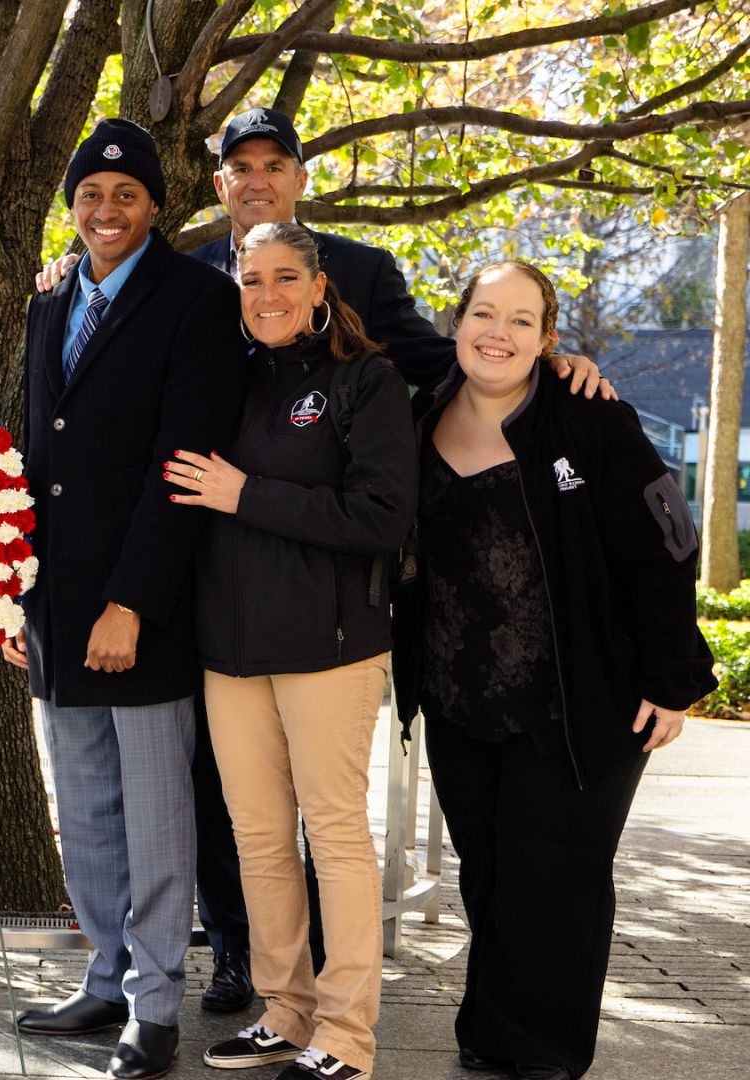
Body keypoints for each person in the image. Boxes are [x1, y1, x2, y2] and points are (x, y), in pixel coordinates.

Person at [34, 105, 608, 1008]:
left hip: (320, 611)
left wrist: (538, 362)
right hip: (213, 605)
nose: (257, 178)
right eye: (241, 167)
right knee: (232, 813)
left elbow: (449, 365)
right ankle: (250, 969)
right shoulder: (177, 279)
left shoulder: (359, 293)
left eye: (275, 164)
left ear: (300, 188)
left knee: (318, 823)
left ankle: (333, 1018)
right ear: (218, 184)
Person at [393, 261, 715, 1080]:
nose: (497, 333)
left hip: (582, 698)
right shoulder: (417, 411)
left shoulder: (589, 418)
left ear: (549, 341)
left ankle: (547, 1051)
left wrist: (672, 680)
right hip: (461, 697)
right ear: (454, 322)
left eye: (521, 321)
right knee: (490, 872)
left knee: (558, 878)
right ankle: (492, 1030)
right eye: (483, 314)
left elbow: (666, 549)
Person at [2, 119, 249, 1080]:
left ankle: (155, 1007)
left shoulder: (197, 300)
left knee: (155, 818)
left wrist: (132, 602)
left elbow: (181, 465)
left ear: (155, 206)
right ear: (74, 206)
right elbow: (37, 458)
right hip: (56, 609)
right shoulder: (51, 300)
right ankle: (104, 976)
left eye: (127, 196)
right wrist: (19, 598)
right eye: (91, 195)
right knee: (89, 809)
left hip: (140, 612)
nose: (107, 210)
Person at [165, 223, 413, 1080]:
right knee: (259, 839)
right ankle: (285, 1010)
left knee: (335, 836)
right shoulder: (226, 380)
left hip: (330, 648)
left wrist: (247, 494)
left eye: (283, 278)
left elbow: (381, 518)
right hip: (231, 652)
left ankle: (347, 1035)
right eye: (251, 279)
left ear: (316, 285)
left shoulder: (366, 381)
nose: (266, 294)